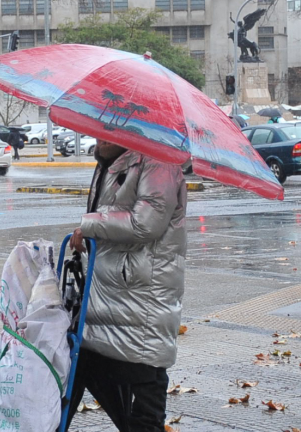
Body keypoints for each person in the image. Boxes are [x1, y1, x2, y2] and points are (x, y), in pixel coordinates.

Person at [67, 139, 187, 431]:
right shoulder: (111, 160)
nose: (100, 133)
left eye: (109, 125)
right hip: (107, 300)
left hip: (141, 304)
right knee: (70, 387)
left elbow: (146, 223)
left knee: (144, 412)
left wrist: (89, 225)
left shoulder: (159, 161)